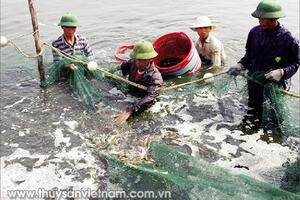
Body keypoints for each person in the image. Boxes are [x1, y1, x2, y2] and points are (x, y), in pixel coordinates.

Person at [228, 0, 300, 124]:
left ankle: (274, 140)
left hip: (276, 82)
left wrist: (282, 72)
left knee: (275, 115)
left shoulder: (288, 38)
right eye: (258, 17)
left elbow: (296, 62)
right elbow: (248, 56)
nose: (259, 20)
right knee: (253, 109)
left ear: (273, 19)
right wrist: (240, 64)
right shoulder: (254, 32)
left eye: (262, 18)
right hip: (255, 78)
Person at [114, 40, 163, 125]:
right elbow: (122, 67)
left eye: (142, 60)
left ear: (150, 59)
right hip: (130, 93)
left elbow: (150, 96)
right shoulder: (132, 63)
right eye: (137, 59)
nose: (138, 63)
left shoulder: (155, 77)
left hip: (142, 101)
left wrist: (130, 110)